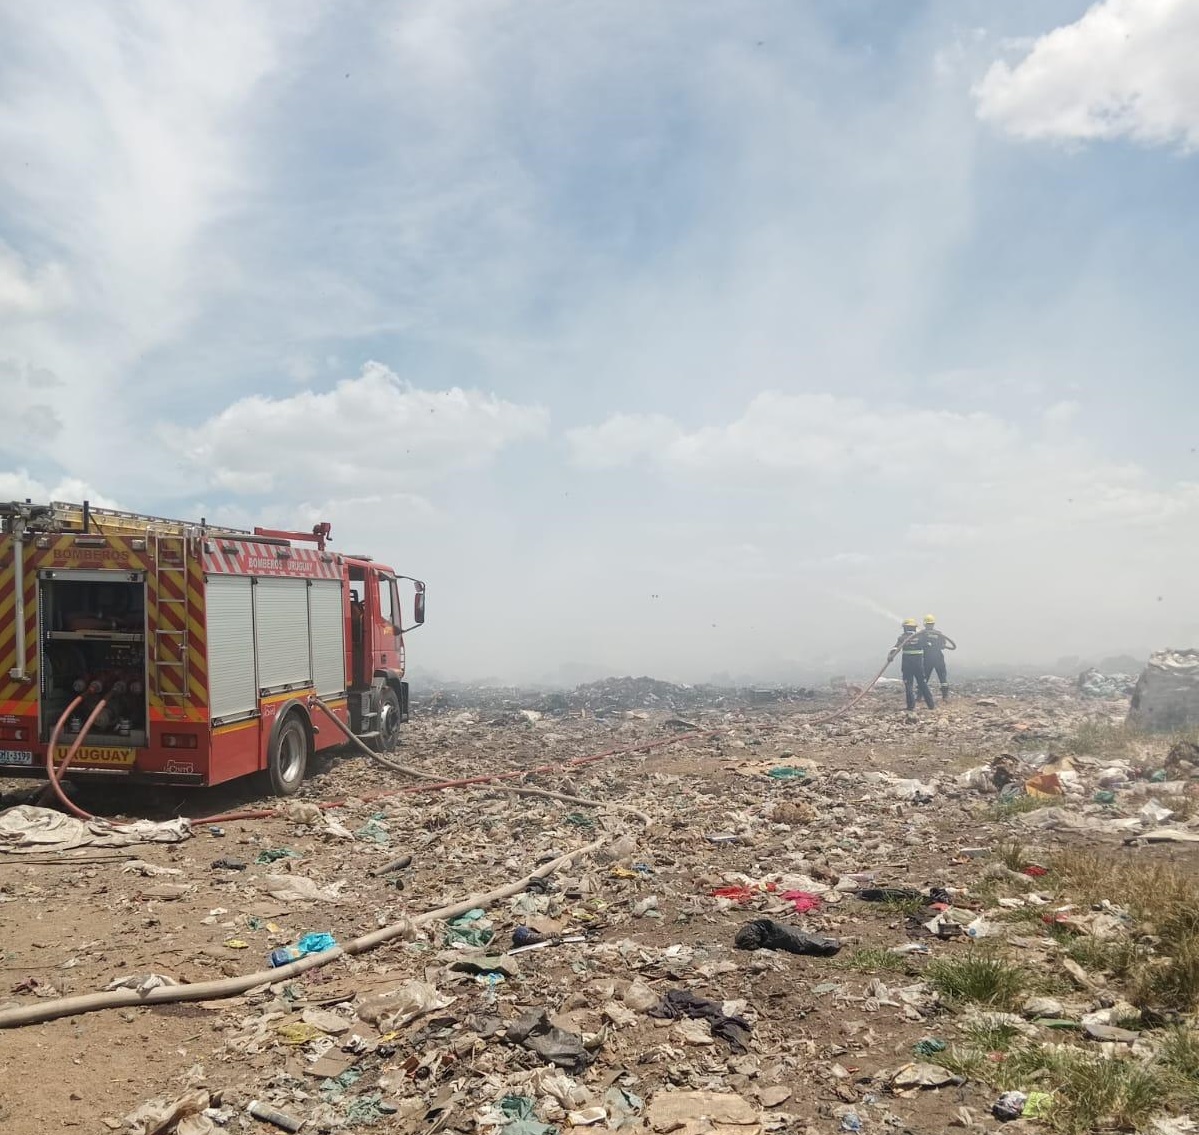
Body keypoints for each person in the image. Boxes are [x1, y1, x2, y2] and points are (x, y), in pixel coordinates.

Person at [888, 618, 935, 711]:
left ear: (905, 628)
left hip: (907, 665)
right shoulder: (921, 637)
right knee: (922, 683)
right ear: (914, 628)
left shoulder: (902, 638)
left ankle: (911, 706)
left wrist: (890, 656)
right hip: (919, 665)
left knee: (908, 684)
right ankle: (931, 705)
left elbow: (895, 648)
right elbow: (928, 645)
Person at [920, 614, 957, 702]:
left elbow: (919, 644)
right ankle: (945, 696)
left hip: (927, 659)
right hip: (938, 658)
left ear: (925, 624)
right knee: (942, 677)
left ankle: (919, 696)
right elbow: (943, 645)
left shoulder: (922, 634)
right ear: (933, 624)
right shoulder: (939, 634)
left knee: (924, 677)